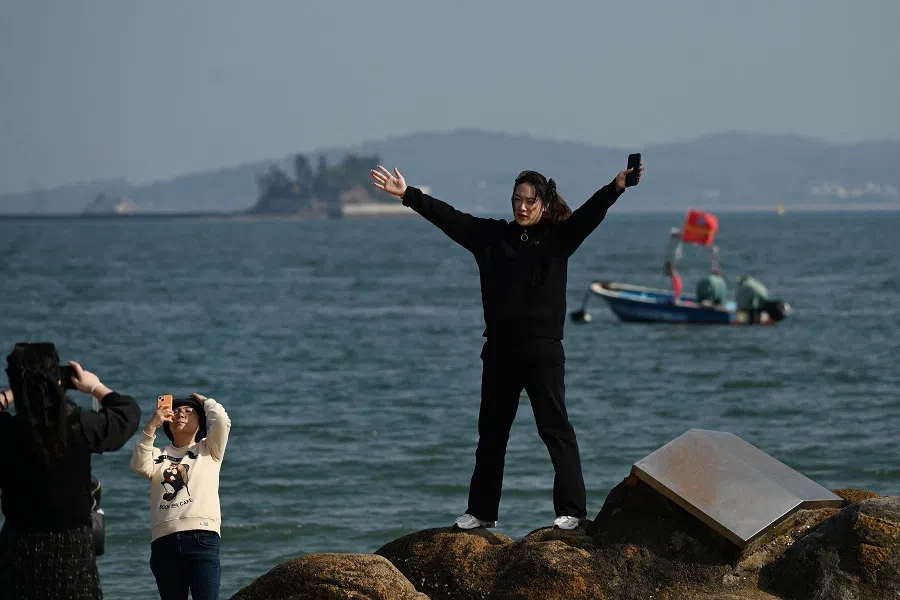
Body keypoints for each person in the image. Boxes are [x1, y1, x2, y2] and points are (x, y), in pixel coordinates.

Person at [371, 161, 643, 531]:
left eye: (531, 201)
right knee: (492, 435)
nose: (523, 207)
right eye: (517, 200)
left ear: (544, 204)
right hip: (499, 351)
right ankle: (482, 512)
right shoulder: (492, 238)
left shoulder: (558, 238)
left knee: (555, 430)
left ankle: (572, 512)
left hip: (543, 352)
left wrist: (617, 186)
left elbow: (588, 216)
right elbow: (449, 217)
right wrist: (407, 194)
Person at [0, 342, 141, 600]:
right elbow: (127, 414)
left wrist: (10, 394)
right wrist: (95, 388)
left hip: (18, 547)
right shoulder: (80, 426)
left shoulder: (7, 432)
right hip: (72, 548)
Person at [131, 393, 231, 600]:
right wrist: (151, 426)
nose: (180, 414)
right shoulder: (158, 454)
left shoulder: (208, 448)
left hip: (201, 537)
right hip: (163, 543)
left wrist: (206, 403)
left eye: (188, 411)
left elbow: (221, 421)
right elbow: (139, 466)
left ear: (200, 421)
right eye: (175, 411)